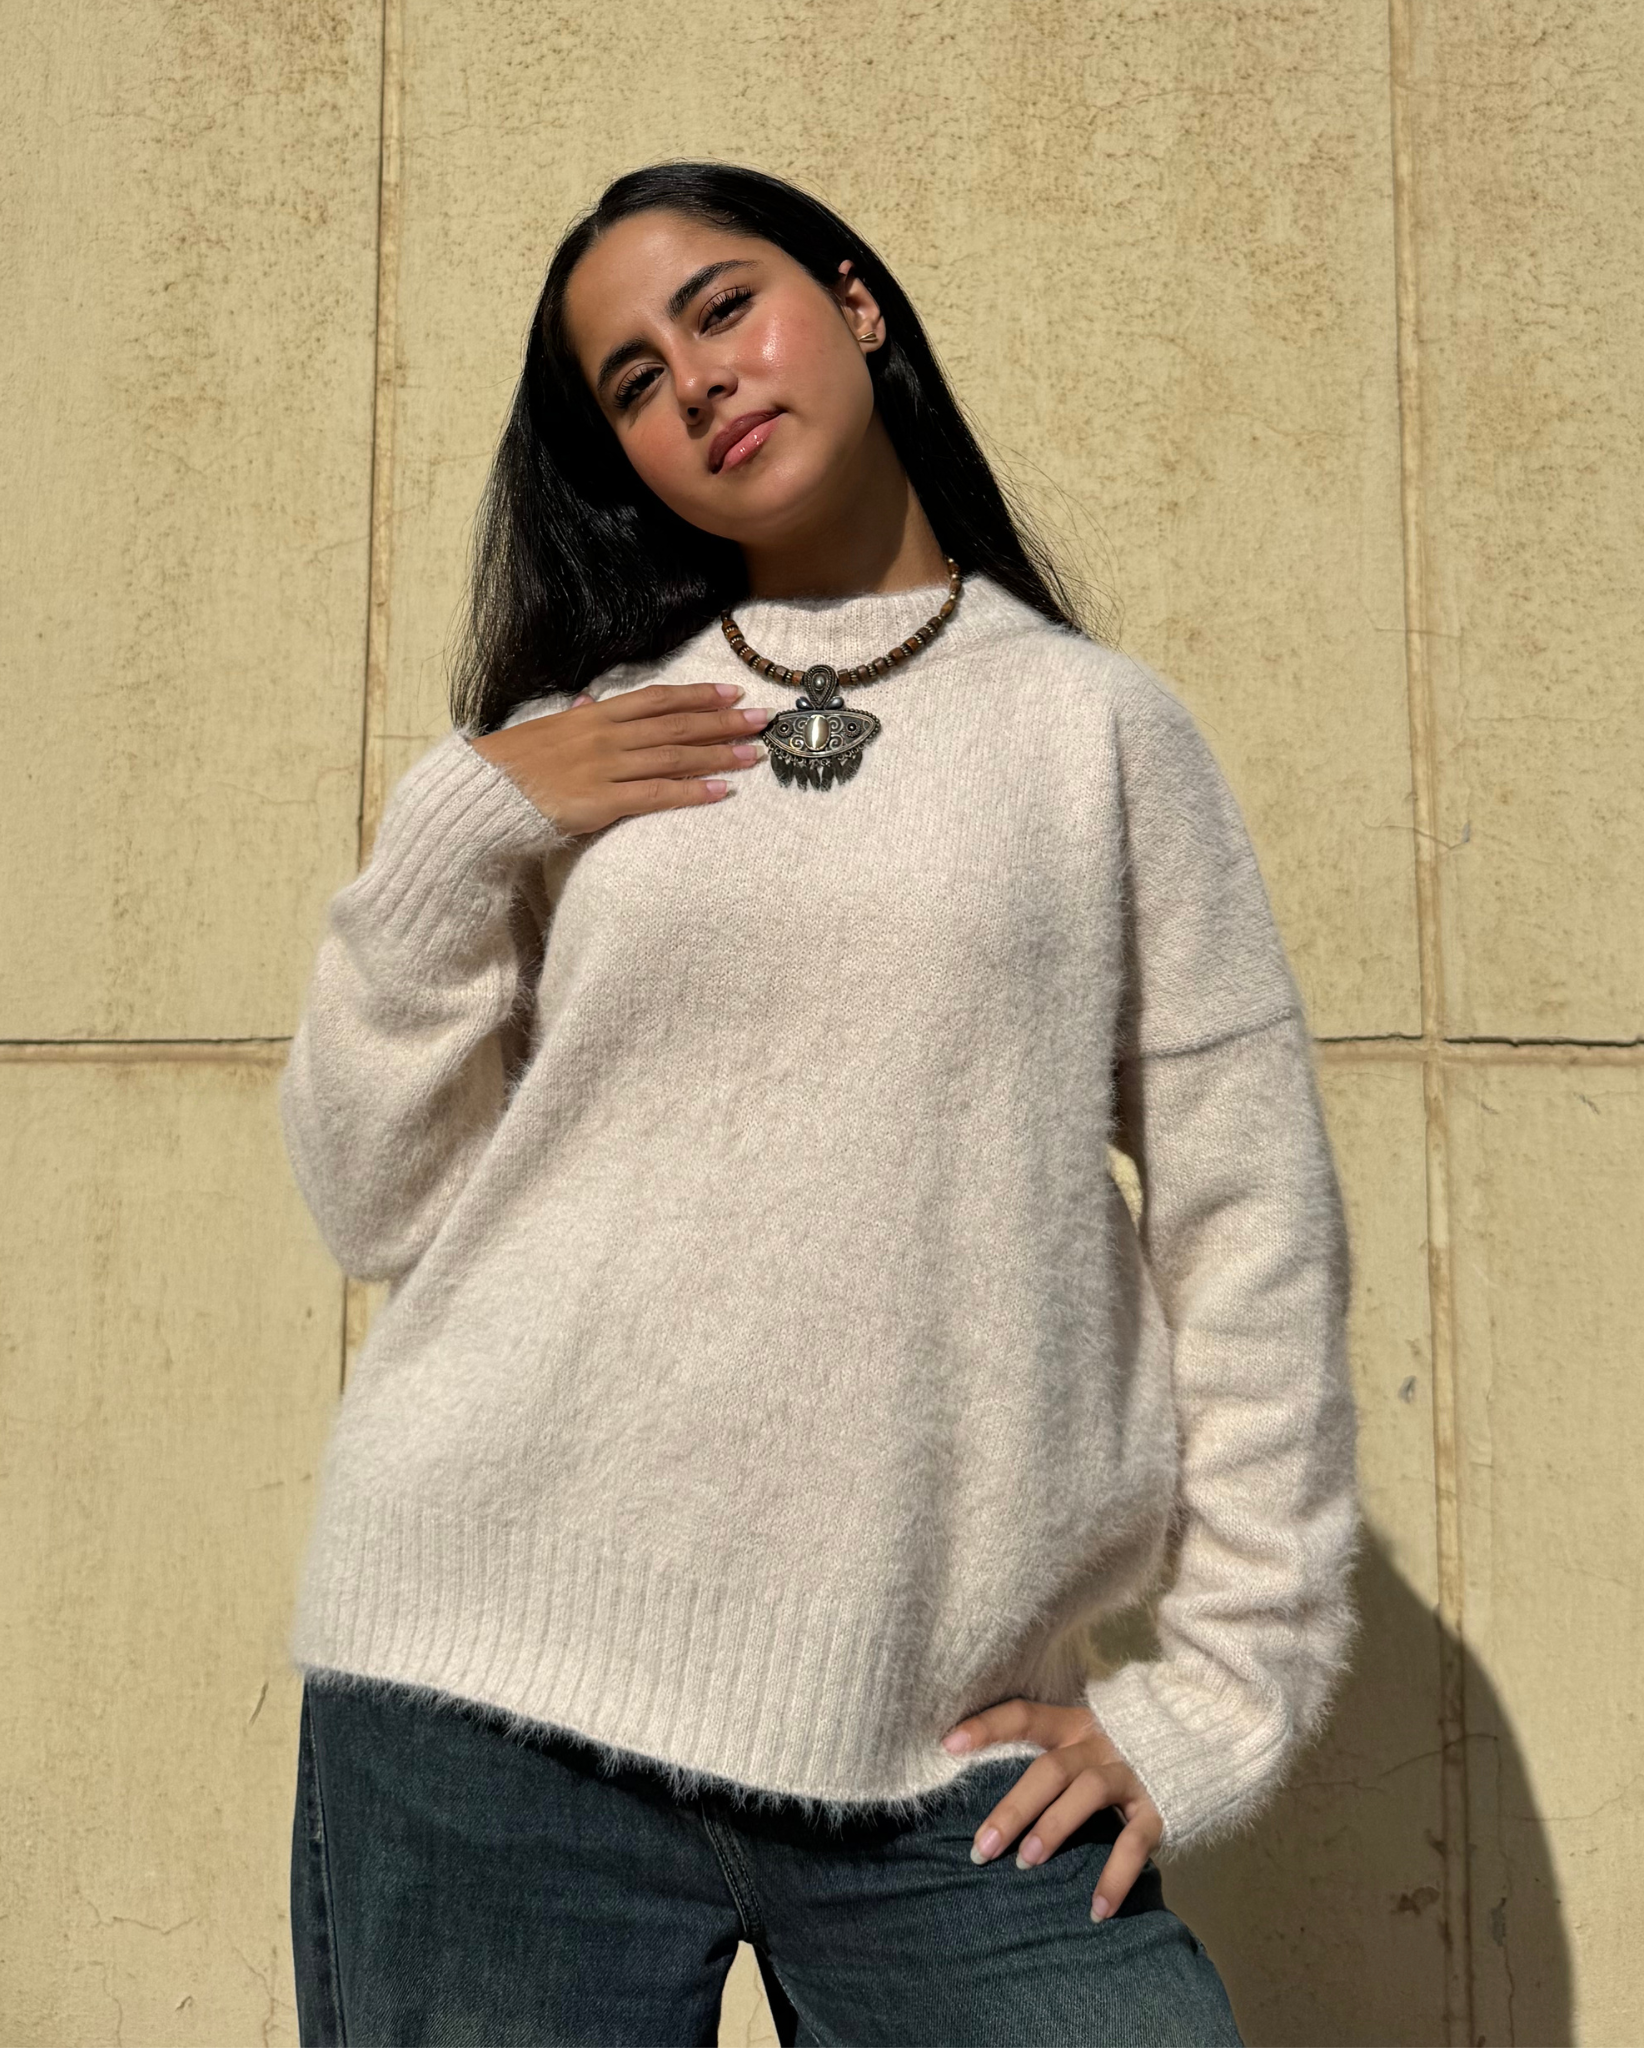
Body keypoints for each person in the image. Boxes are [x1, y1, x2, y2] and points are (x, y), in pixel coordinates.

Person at [278, 159, 1360, 2046]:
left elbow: (1249, 1224)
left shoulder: (1098, 730)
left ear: (856, 305)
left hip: (941, 1754)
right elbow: (384, 1206)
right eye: (632, 380)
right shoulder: (591, 737)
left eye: (723, 307)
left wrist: (1220, 1696)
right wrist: (464, 821)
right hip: (485, 1693)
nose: (695, 379)